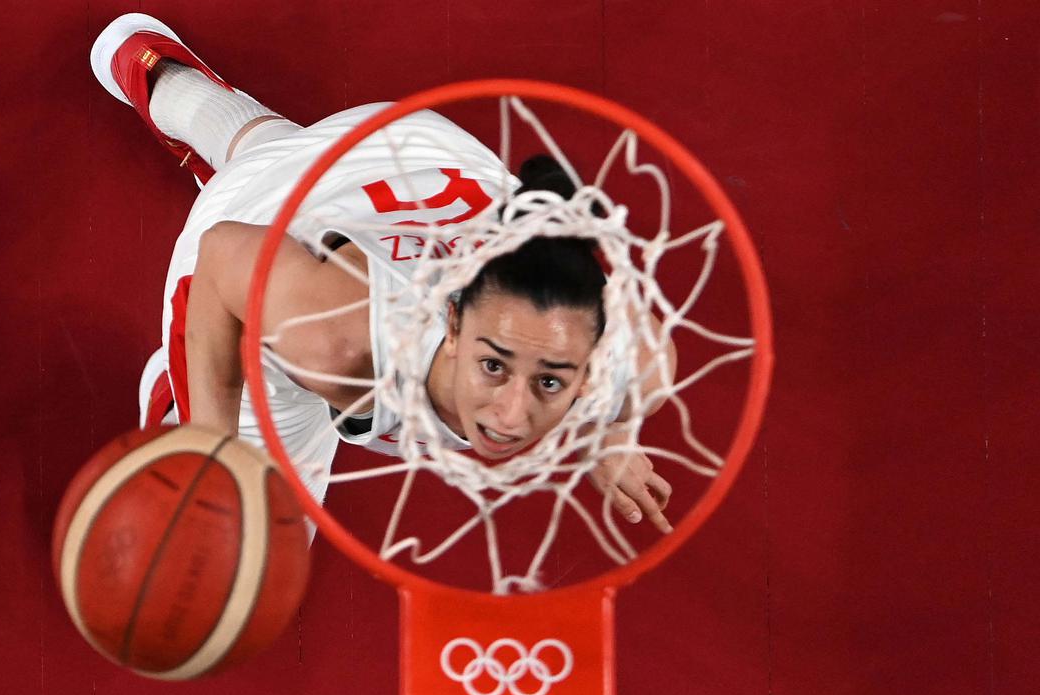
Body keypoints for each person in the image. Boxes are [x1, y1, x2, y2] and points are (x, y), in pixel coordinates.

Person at [90, 13, 676, 531]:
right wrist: (211, 445)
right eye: (493, 366)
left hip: (412, 154)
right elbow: (218, 265)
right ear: (452, 322)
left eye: (550, 381)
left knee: (276, 150)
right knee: (253, 535)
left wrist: (608, 432)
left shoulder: (630, 362)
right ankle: (174, 398)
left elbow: (608, 316)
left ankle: (163, 76)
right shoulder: (337, 344)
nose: (512, 416)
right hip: (266, 230)